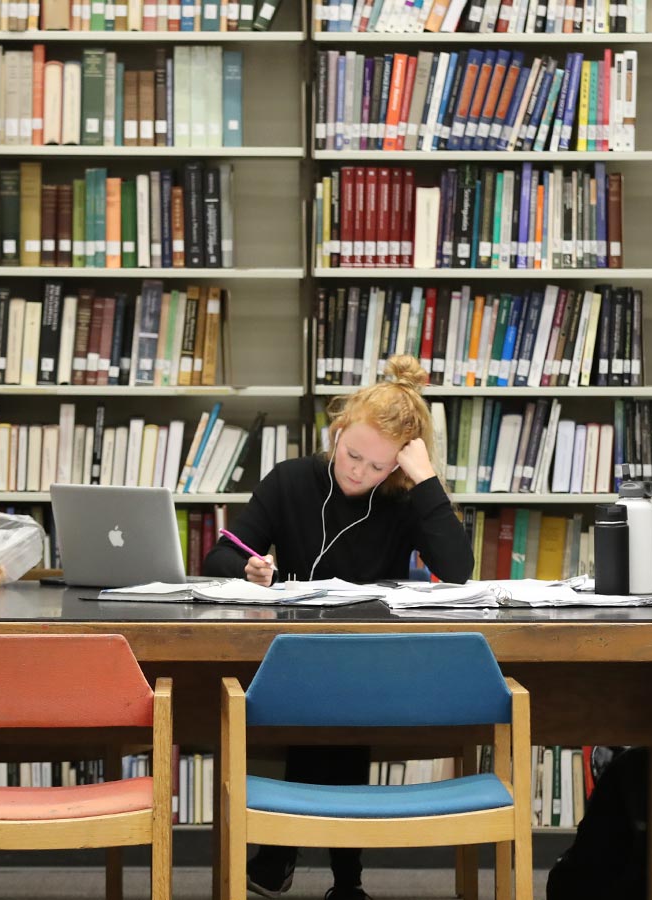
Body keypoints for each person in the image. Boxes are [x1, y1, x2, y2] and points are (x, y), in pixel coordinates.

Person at [202, 355, 474, 900]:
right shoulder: (292, 480)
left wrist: (425, 480)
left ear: (397, 467)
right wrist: (250, 569)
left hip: (376, 660)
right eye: (352, 455)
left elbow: (460, 571)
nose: (358, 473)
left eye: (378, 467)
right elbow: (219, 557)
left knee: (338, 694)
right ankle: (345, 882)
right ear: (338, 429)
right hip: (292, 656)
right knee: (328, 700)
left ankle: (280, 855)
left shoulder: (403, 499)